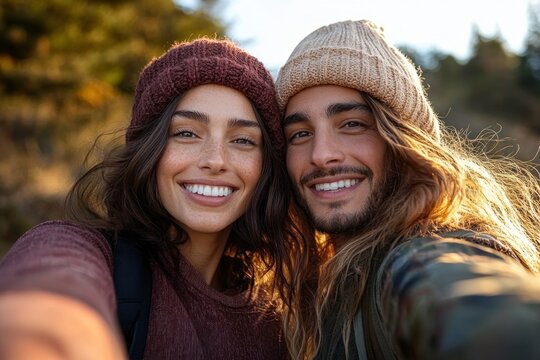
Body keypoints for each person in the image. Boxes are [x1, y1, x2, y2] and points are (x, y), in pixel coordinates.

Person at [0, 38, 296, 359]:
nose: (216, 160)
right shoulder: (81, 249)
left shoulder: (279, 318)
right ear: (149, 150)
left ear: (266, 165)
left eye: (242, 140)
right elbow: (49, 294)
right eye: (186, 133)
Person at [275, 20, 540, 359]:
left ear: (401, 142)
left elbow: (464, 300)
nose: (322, 154)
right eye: (300, 133)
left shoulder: (421, 259)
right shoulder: (310, 290)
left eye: (353, 124)